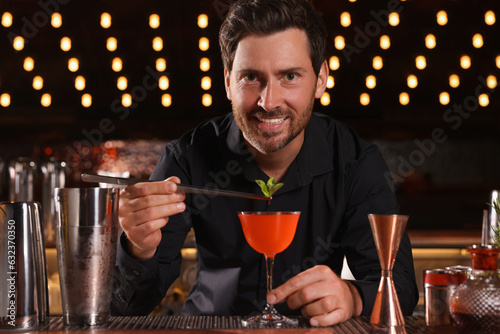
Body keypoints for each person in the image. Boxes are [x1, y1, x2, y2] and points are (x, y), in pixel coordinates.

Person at [111, 0, 418, 326]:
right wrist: (137, 248)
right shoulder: (187, 157)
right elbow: (124, 311)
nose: (268, 102)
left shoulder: (356, 163)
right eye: (251, 77)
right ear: (228, 82)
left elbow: (401, 289)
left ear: (321, 79)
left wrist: (354, 297)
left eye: (289, 76)